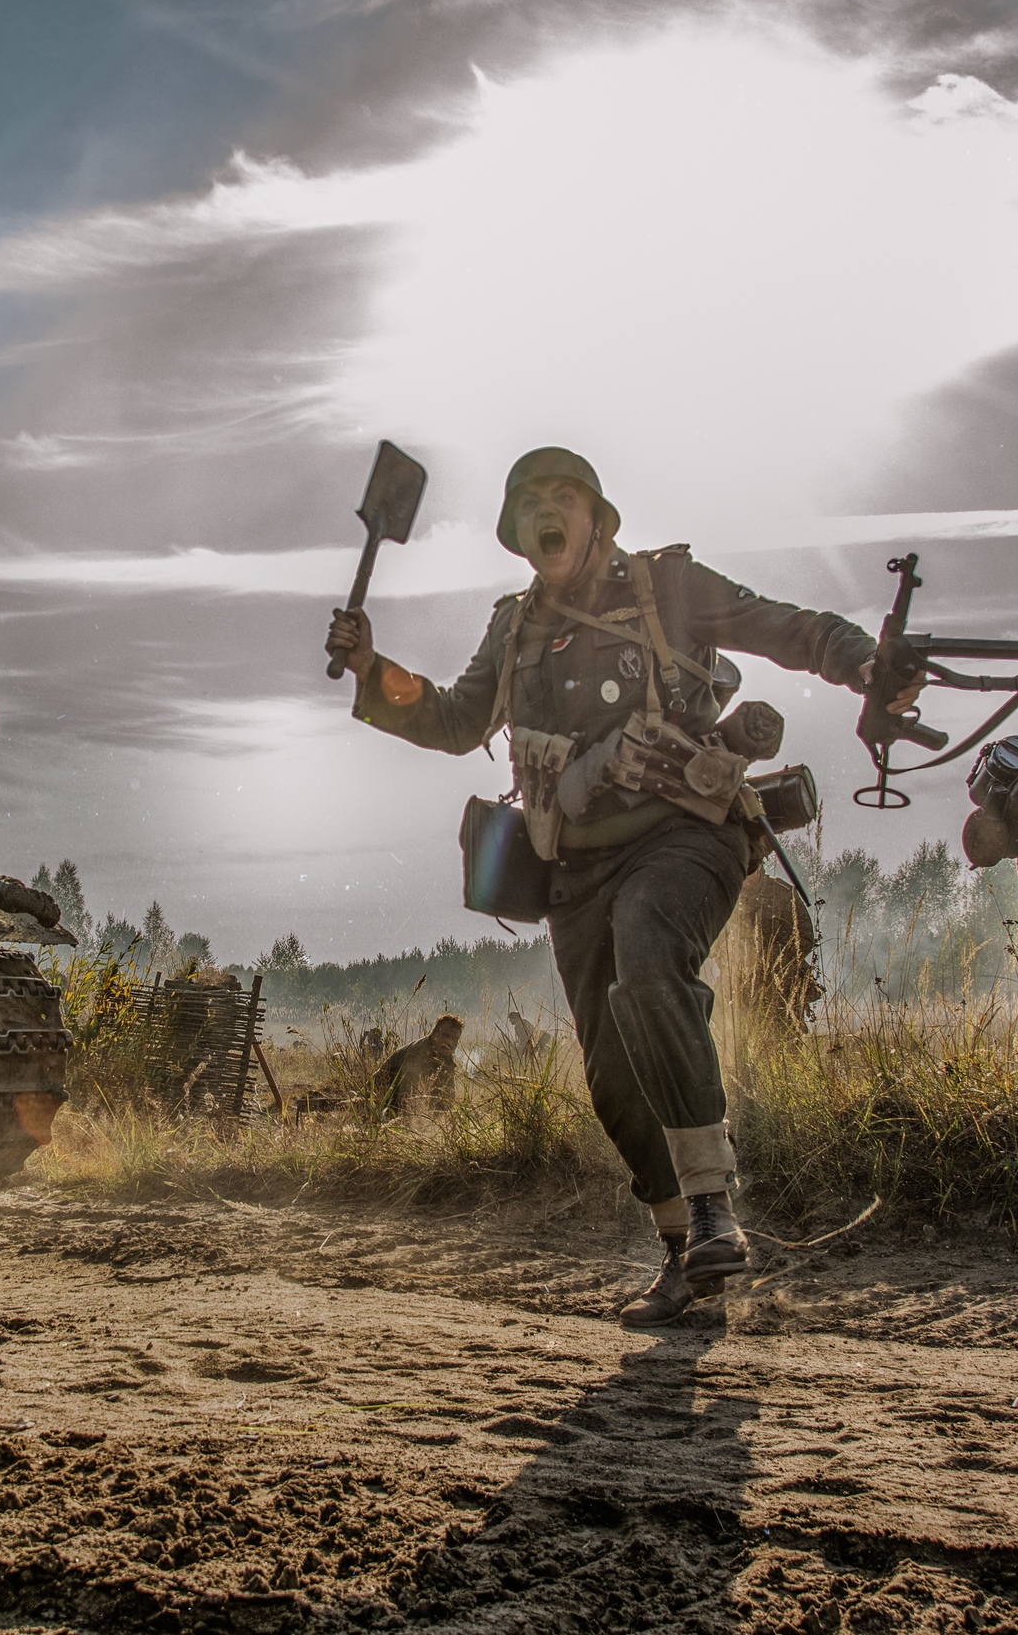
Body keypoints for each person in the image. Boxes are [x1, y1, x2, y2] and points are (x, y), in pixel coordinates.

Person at [327, 447, 910, 1329]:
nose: (546, 512)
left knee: (649, 957)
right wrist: (376, 669)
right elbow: (452, 717)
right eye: (529, 502)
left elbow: (787, 627)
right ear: (518, 532)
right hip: (574, 869)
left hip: (686, 835)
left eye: (563, 496)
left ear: (597, 517)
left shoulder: (667, 587)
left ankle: (712, 1204)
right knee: (608, 1070)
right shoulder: (514, 626)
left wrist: (868, 663)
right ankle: (684, 1253)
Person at [371, 1016, 464, 1115]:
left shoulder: (444, 1054)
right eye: (445, 1036)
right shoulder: (417, 1054)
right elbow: (407, 1100)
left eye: (455, 1039)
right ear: (434, 1033)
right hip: (376, 1105)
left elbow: (448, 1099)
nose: (450, 1042)